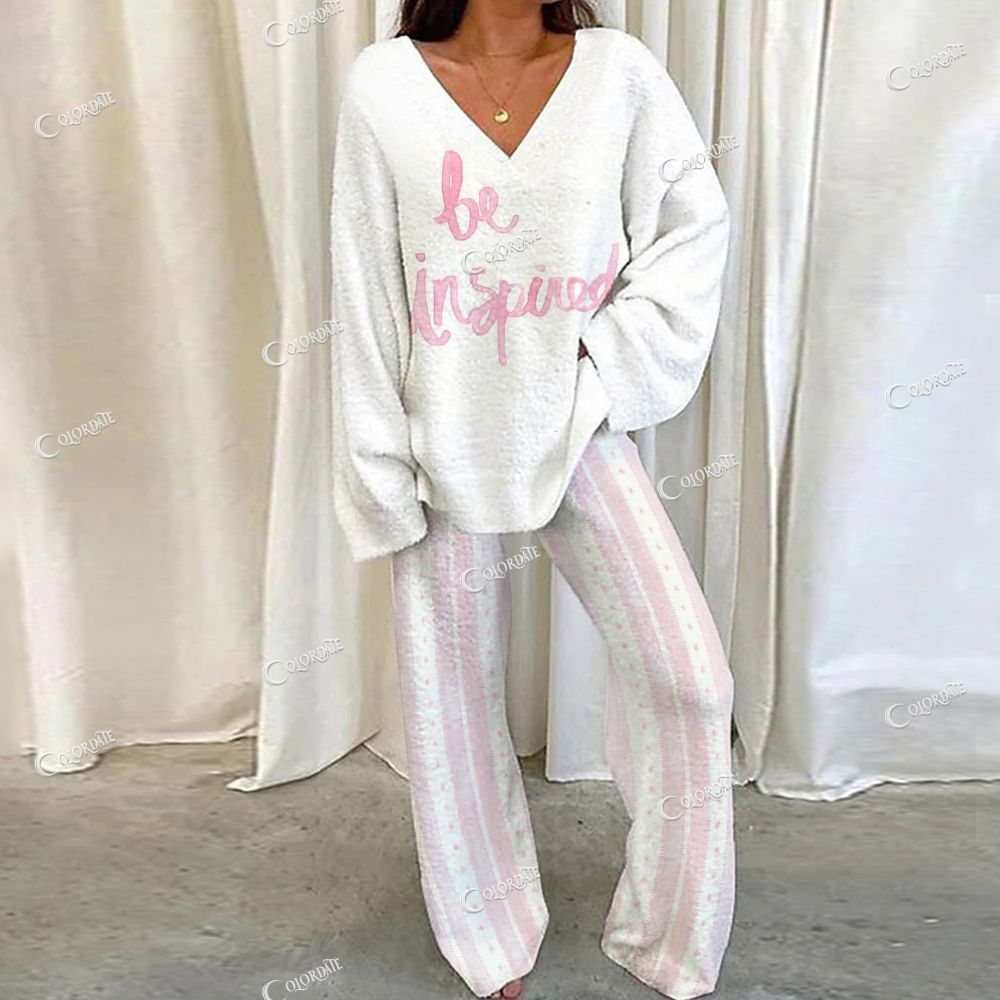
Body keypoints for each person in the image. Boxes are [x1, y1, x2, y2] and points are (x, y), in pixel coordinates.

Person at [328, 1, 734, 997]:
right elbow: (365, 289)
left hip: (575, 427)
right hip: (439, 436)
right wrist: (380, 465)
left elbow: (692, 227)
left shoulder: (618, 73)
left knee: (690, 679)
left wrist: (605, 367)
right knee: (451, 703)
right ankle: (489, 932)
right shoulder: (384, 86)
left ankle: (668, 934)